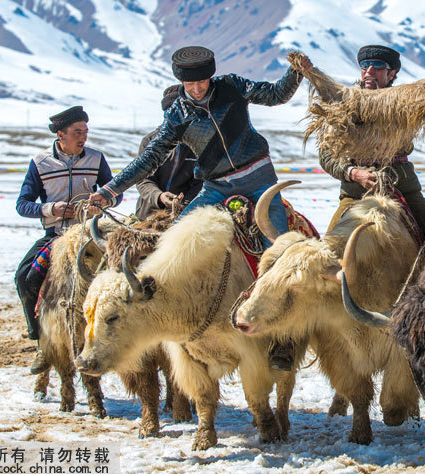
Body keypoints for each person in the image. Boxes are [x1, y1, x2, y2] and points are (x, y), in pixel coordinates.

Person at [89, 46, 311, 372]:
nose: (197, 89)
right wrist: (110, 190)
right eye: (189, 84)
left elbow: (276, 95)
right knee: (176, 239)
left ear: (211, 75)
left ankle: (283, 337)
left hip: (259, 179)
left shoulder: (233, 87)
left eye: (202, 81)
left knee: (276, 248)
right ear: (180, 82)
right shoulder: (178, 114)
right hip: (215, 187)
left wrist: (296, 73)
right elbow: (148, 159)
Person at [15, 106, 120, 374]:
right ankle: (40, 342)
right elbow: (22, 205)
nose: (83, 137)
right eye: (77, 132)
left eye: (85, 131)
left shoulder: (96, 159)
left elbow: (114, 193)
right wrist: (52, 209)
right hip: (56, 236)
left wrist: (104, 200)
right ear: (61, 134)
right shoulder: (40, 163)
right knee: (25, 278)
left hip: (90, 235)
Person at [318, 45, 425, 235]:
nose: (369, 70)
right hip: (356, 192)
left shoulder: (405, 104)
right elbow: (326, 155)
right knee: (331, 246)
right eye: (365, 65)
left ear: (391, 73)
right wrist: (354, 173)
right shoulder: (342, 104)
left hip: (403, 189)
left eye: (377, 65)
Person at [133, 86, 202, 220]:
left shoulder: (199, 144)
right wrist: (159, 196)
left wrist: (184, 203)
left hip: (184, 217)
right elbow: (142, 179)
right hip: (148, 215)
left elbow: (200, 181)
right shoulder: (149, 141)